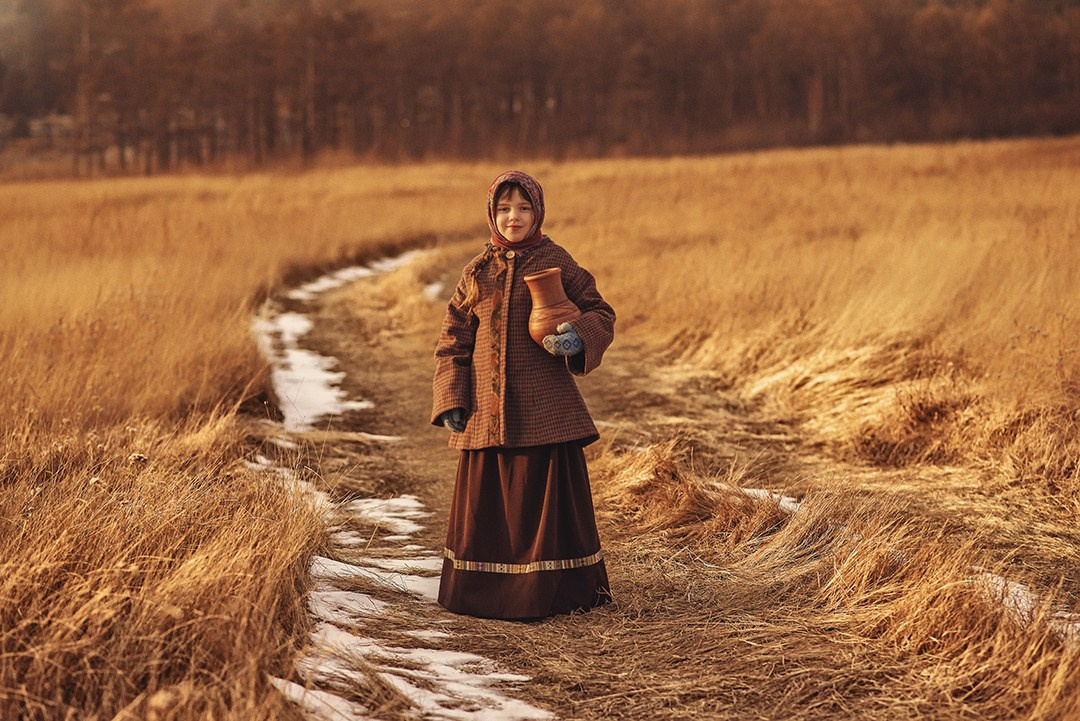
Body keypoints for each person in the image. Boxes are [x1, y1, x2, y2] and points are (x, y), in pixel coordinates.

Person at [431, 170, 615, 620]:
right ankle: (483, 596)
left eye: (524, 208)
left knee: (542, 497)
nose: (514, 218)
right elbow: (453, 340)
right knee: (488, 503)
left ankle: (552, 594)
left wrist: (579, 338)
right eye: (504, 209)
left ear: (538, 212)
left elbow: (601, 311)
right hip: (485, 414)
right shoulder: (476, 271)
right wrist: (452, 397)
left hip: (545, 412)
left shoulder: (556, 260)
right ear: (492, 214)